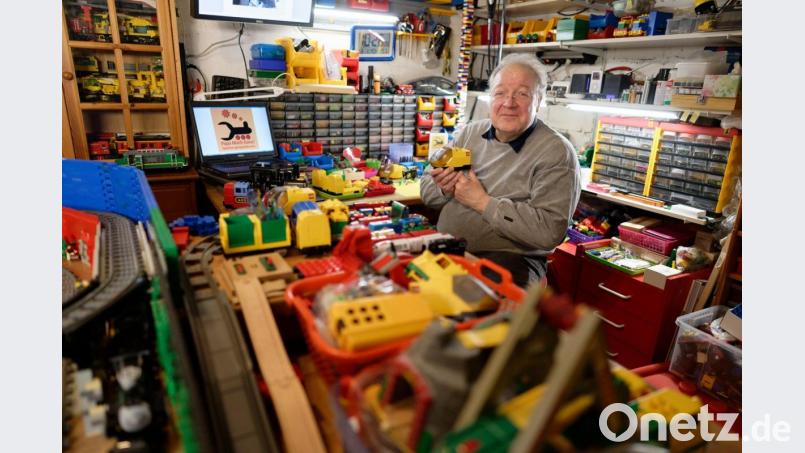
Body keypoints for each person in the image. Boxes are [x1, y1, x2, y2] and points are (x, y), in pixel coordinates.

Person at [420, 53, 581, 287]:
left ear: (539, 100)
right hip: (449, 249)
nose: (509, 103)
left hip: (512, 260)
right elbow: (427, 190)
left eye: (522, 94)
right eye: (500, 93)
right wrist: (442, 188)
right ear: (490, 97)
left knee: (476, 312)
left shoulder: (556, 153)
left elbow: (549, 231)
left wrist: (482, 202)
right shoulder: (469, 134)